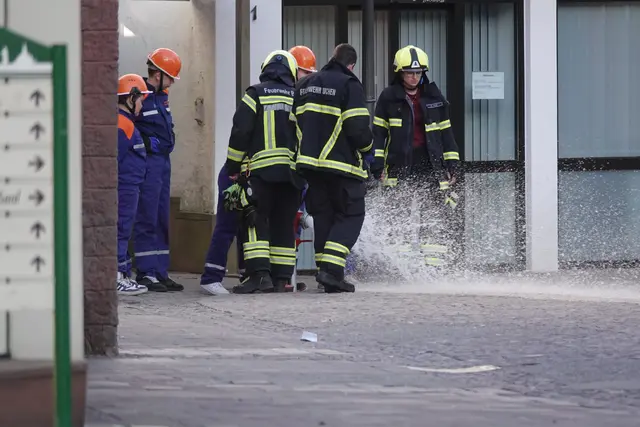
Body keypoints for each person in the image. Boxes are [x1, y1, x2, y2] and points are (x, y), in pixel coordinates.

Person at [370, 45, 460, 267]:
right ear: (399, 73)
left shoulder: (434, 97)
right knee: (397, 218)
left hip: (430, 166)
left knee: (433, 218)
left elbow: (446, 134)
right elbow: (379, 135)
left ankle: (434, 266)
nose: (414, 77)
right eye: (409, 72)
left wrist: (453, 164)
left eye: (418, 72)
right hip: (399, 167)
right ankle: (399, 267)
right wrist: (377, 165)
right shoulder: (389, 98)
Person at [294, 43, 373, 293]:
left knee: (324, 216)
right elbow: (358, 129)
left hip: (311, 168)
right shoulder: (349, 84)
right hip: (342, 166)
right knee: (351, 214)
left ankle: (323, 273)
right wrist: (369, 148)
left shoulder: (305, 84)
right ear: (351, 65)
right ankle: (332, 271)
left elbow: (293, 123)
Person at [225, 50, 304, 294]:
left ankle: (259, 276)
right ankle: (281, 278)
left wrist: (233, 167)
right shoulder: (298, 97)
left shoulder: (255, 94)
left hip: (261, 173)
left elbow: (241, 132)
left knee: (254, 220)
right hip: (292, 175)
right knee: (284, 223)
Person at [133, 48, 184, 292]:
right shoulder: (139, 94)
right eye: (170, 78)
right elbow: (128, 125)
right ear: (159, 74)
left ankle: (160, 272)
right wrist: (145, 143)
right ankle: (145, 272)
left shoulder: (162, 97)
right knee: (147, 215)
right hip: (148, 164)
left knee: (162, 216)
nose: (172, 82)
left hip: (163, 162)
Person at [116, 74, 152, 296]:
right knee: (120, 230)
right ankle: (117, 277)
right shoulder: (124, 124)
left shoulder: (125, 123)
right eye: (141, 100)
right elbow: (115, 158)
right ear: (131, 98)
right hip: (124, 187)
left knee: (123, 229)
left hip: (129, 186)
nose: (142, 105)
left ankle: (121, 274)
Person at [199, 163, 246, 295]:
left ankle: (248, 276)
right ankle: (211, 278)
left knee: (246, 229)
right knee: (227, 227)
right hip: (234, 177)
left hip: (245, 176)